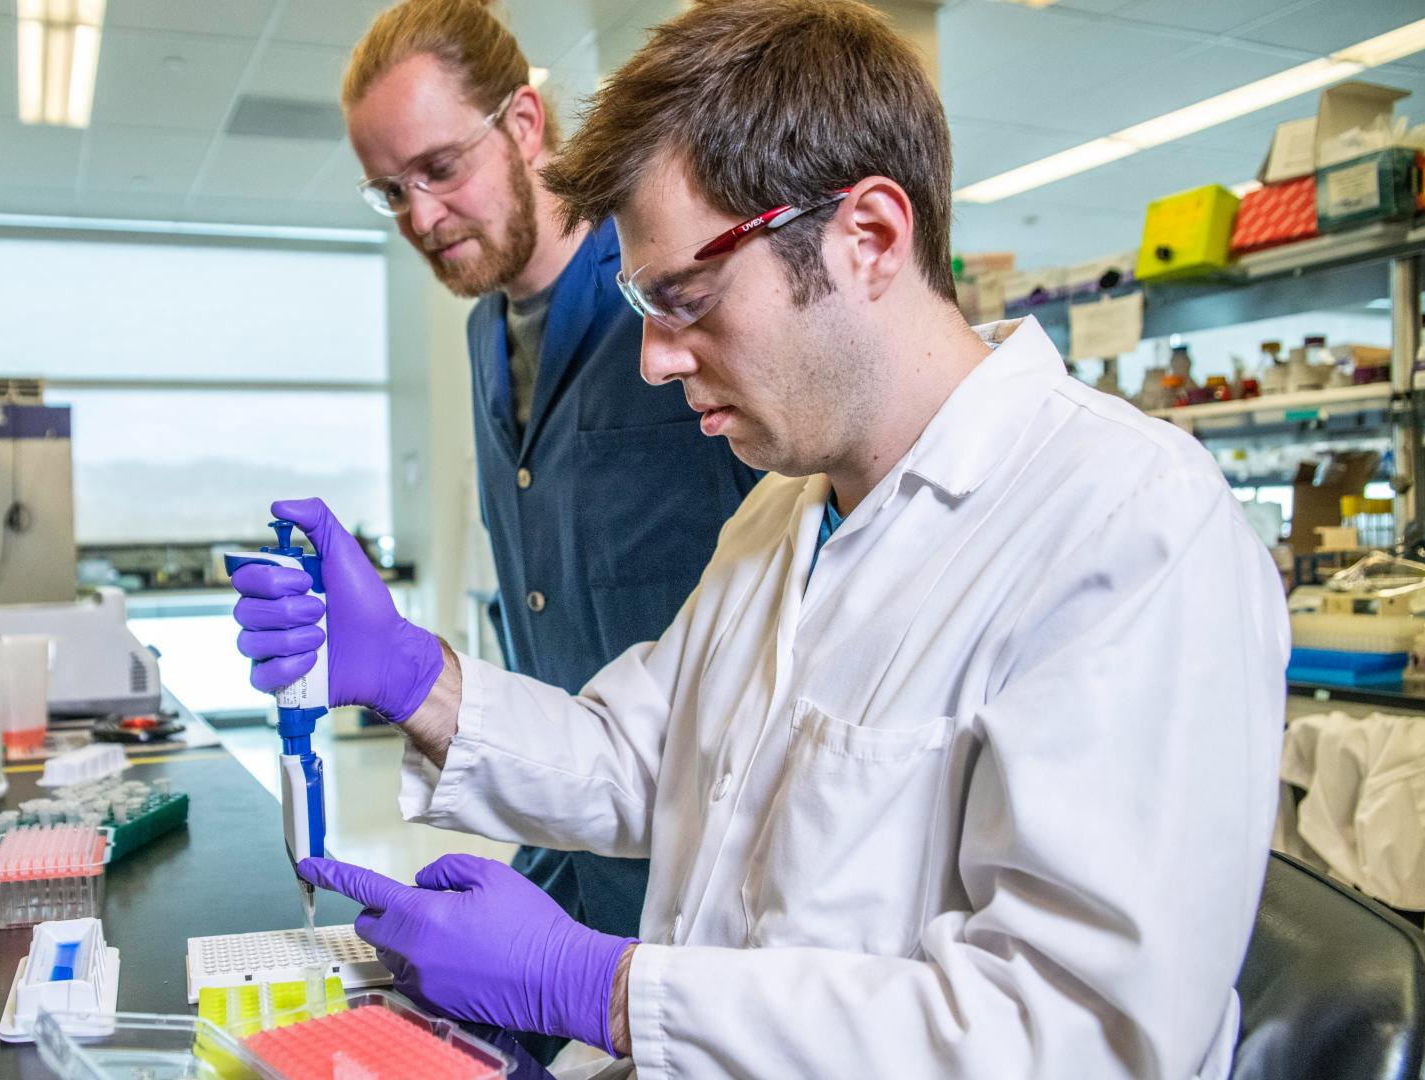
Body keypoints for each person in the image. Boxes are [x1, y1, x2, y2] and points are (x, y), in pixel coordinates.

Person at [235, 0, 1287, 1075]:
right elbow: (642, 758)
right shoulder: (786, 510)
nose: (652, 360)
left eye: (686, 296)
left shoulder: (1129, 526)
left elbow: (1079, 1037)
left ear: (868, 238)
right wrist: (415, 679)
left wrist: (601, 988)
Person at [338, 0, 759, 994]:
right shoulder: (488, 332)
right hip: (582, 839)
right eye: (390, 192)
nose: (422, 218)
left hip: (723, 889)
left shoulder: (672, 300)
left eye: (440, 169)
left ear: (525, 124)